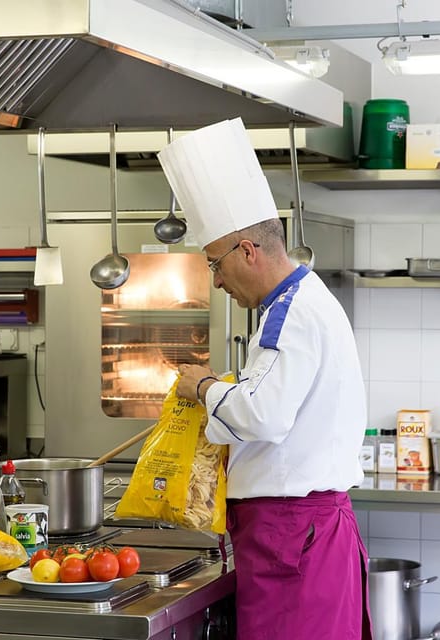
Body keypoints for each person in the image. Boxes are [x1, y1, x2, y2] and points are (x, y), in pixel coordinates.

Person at [158, 118, 372, 640]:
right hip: (304, 533)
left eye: (215, 265)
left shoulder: (290, 313)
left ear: (247, 251)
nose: (216, 282)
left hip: (292, 535)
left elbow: (264, 415)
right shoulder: (305, 301)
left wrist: (203, 386)